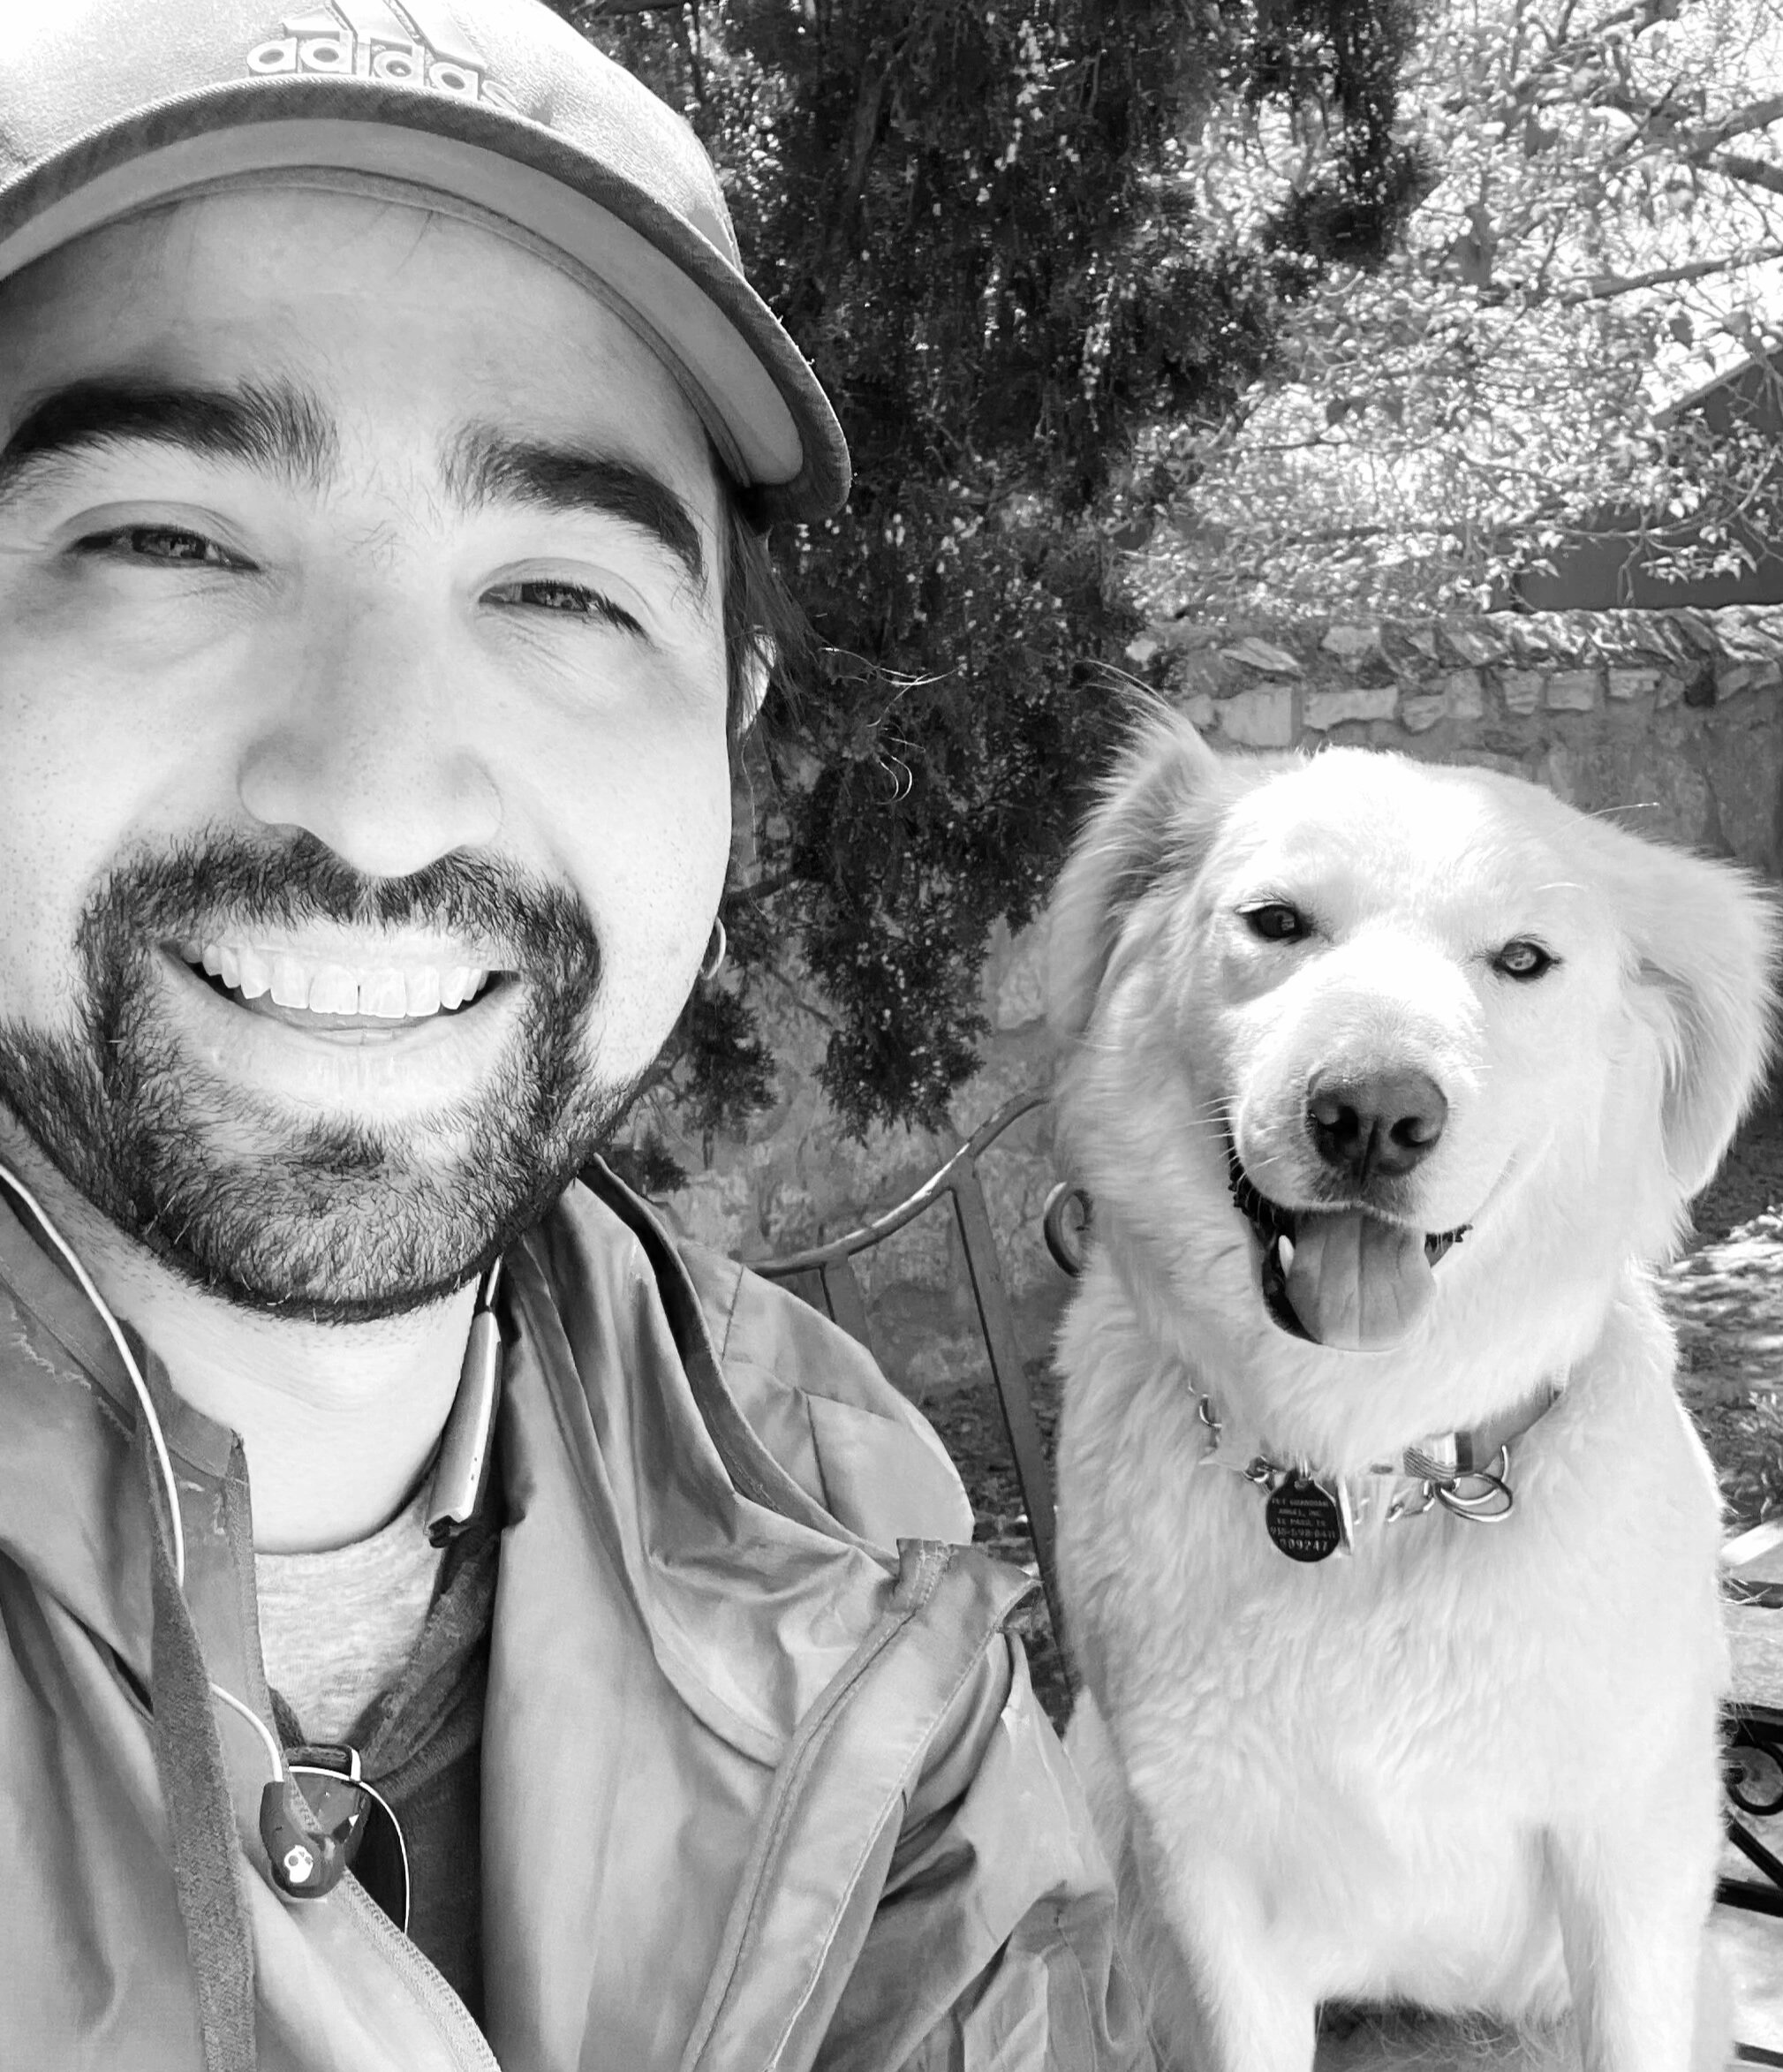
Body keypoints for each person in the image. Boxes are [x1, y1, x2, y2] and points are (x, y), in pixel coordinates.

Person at [0, 5, 1144, 2066]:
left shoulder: (835, 1523)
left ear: (729, 733)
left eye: (557, 592)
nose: (376, 795)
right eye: (165, 541)